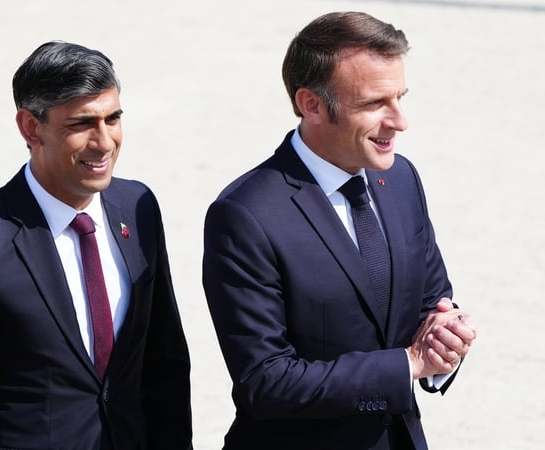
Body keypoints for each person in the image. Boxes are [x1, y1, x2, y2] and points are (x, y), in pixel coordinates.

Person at [202, 11, 478, 450]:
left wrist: (446, 336)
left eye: (400, 97)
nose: (399, 121)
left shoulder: (401, 178)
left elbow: (432, 300)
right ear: (311, 104)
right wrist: (406, 365)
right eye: (374, 104)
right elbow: (266, 379)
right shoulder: (244, 216)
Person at [0, 41, 192, 450]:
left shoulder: (138, 208)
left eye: (113, 119)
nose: (104, 142)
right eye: (82, 124)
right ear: (31, 127)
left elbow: (165, 366)